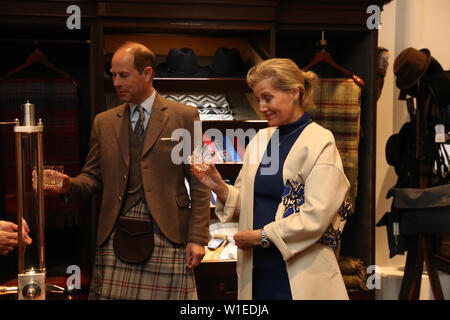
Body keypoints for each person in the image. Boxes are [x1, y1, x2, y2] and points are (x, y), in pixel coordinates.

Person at [49, 41, 210, 300]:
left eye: (123, 75)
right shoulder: (103, 122)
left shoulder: (184, 116)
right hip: (115, 232)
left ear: (147, 74)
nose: (116, 82)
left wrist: (198, 237)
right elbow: (92, 178)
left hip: (168, 232)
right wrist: (68, 185)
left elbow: (201, 182)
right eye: (113, 75)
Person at [190, 58, 350, 300]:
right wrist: (218, 186)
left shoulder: (320, 141)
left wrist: (260, 236)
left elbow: (317, 215)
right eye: (258, 100)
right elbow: (247, 204)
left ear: (294, 93)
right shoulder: (261, 139)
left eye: (267, 98)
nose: (262, 107)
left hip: (301, 276)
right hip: (256, 273)